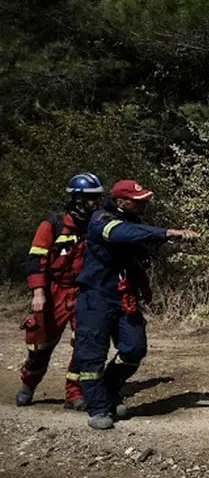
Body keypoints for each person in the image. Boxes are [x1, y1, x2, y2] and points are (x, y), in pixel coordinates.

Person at [73, 179, 200, 430]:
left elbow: (132, 260)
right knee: (92, 356)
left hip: (124, 296)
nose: (144, 203)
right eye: (137, 200)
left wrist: (144, 285)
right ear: (120, 201)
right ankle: (98, 408)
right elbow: (121, 234)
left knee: (134, 349)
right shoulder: (101, 220)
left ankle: (110, 390)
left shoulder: (133, 221)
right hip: (96, 296)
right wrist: (168, 232)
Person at [16, 173, 106, 409]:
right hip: (55, 291)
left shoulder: (97, 224)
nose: (96, 202)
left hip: (85, 292)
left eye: (98, 197)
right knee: (39, 346)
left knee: (84, 344)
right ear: (77, 198)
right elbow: (36, 259)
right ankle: (28, 384)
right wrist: (38, 293)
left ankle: (74, 394)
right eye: (91, 198)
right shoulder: (53, 224)